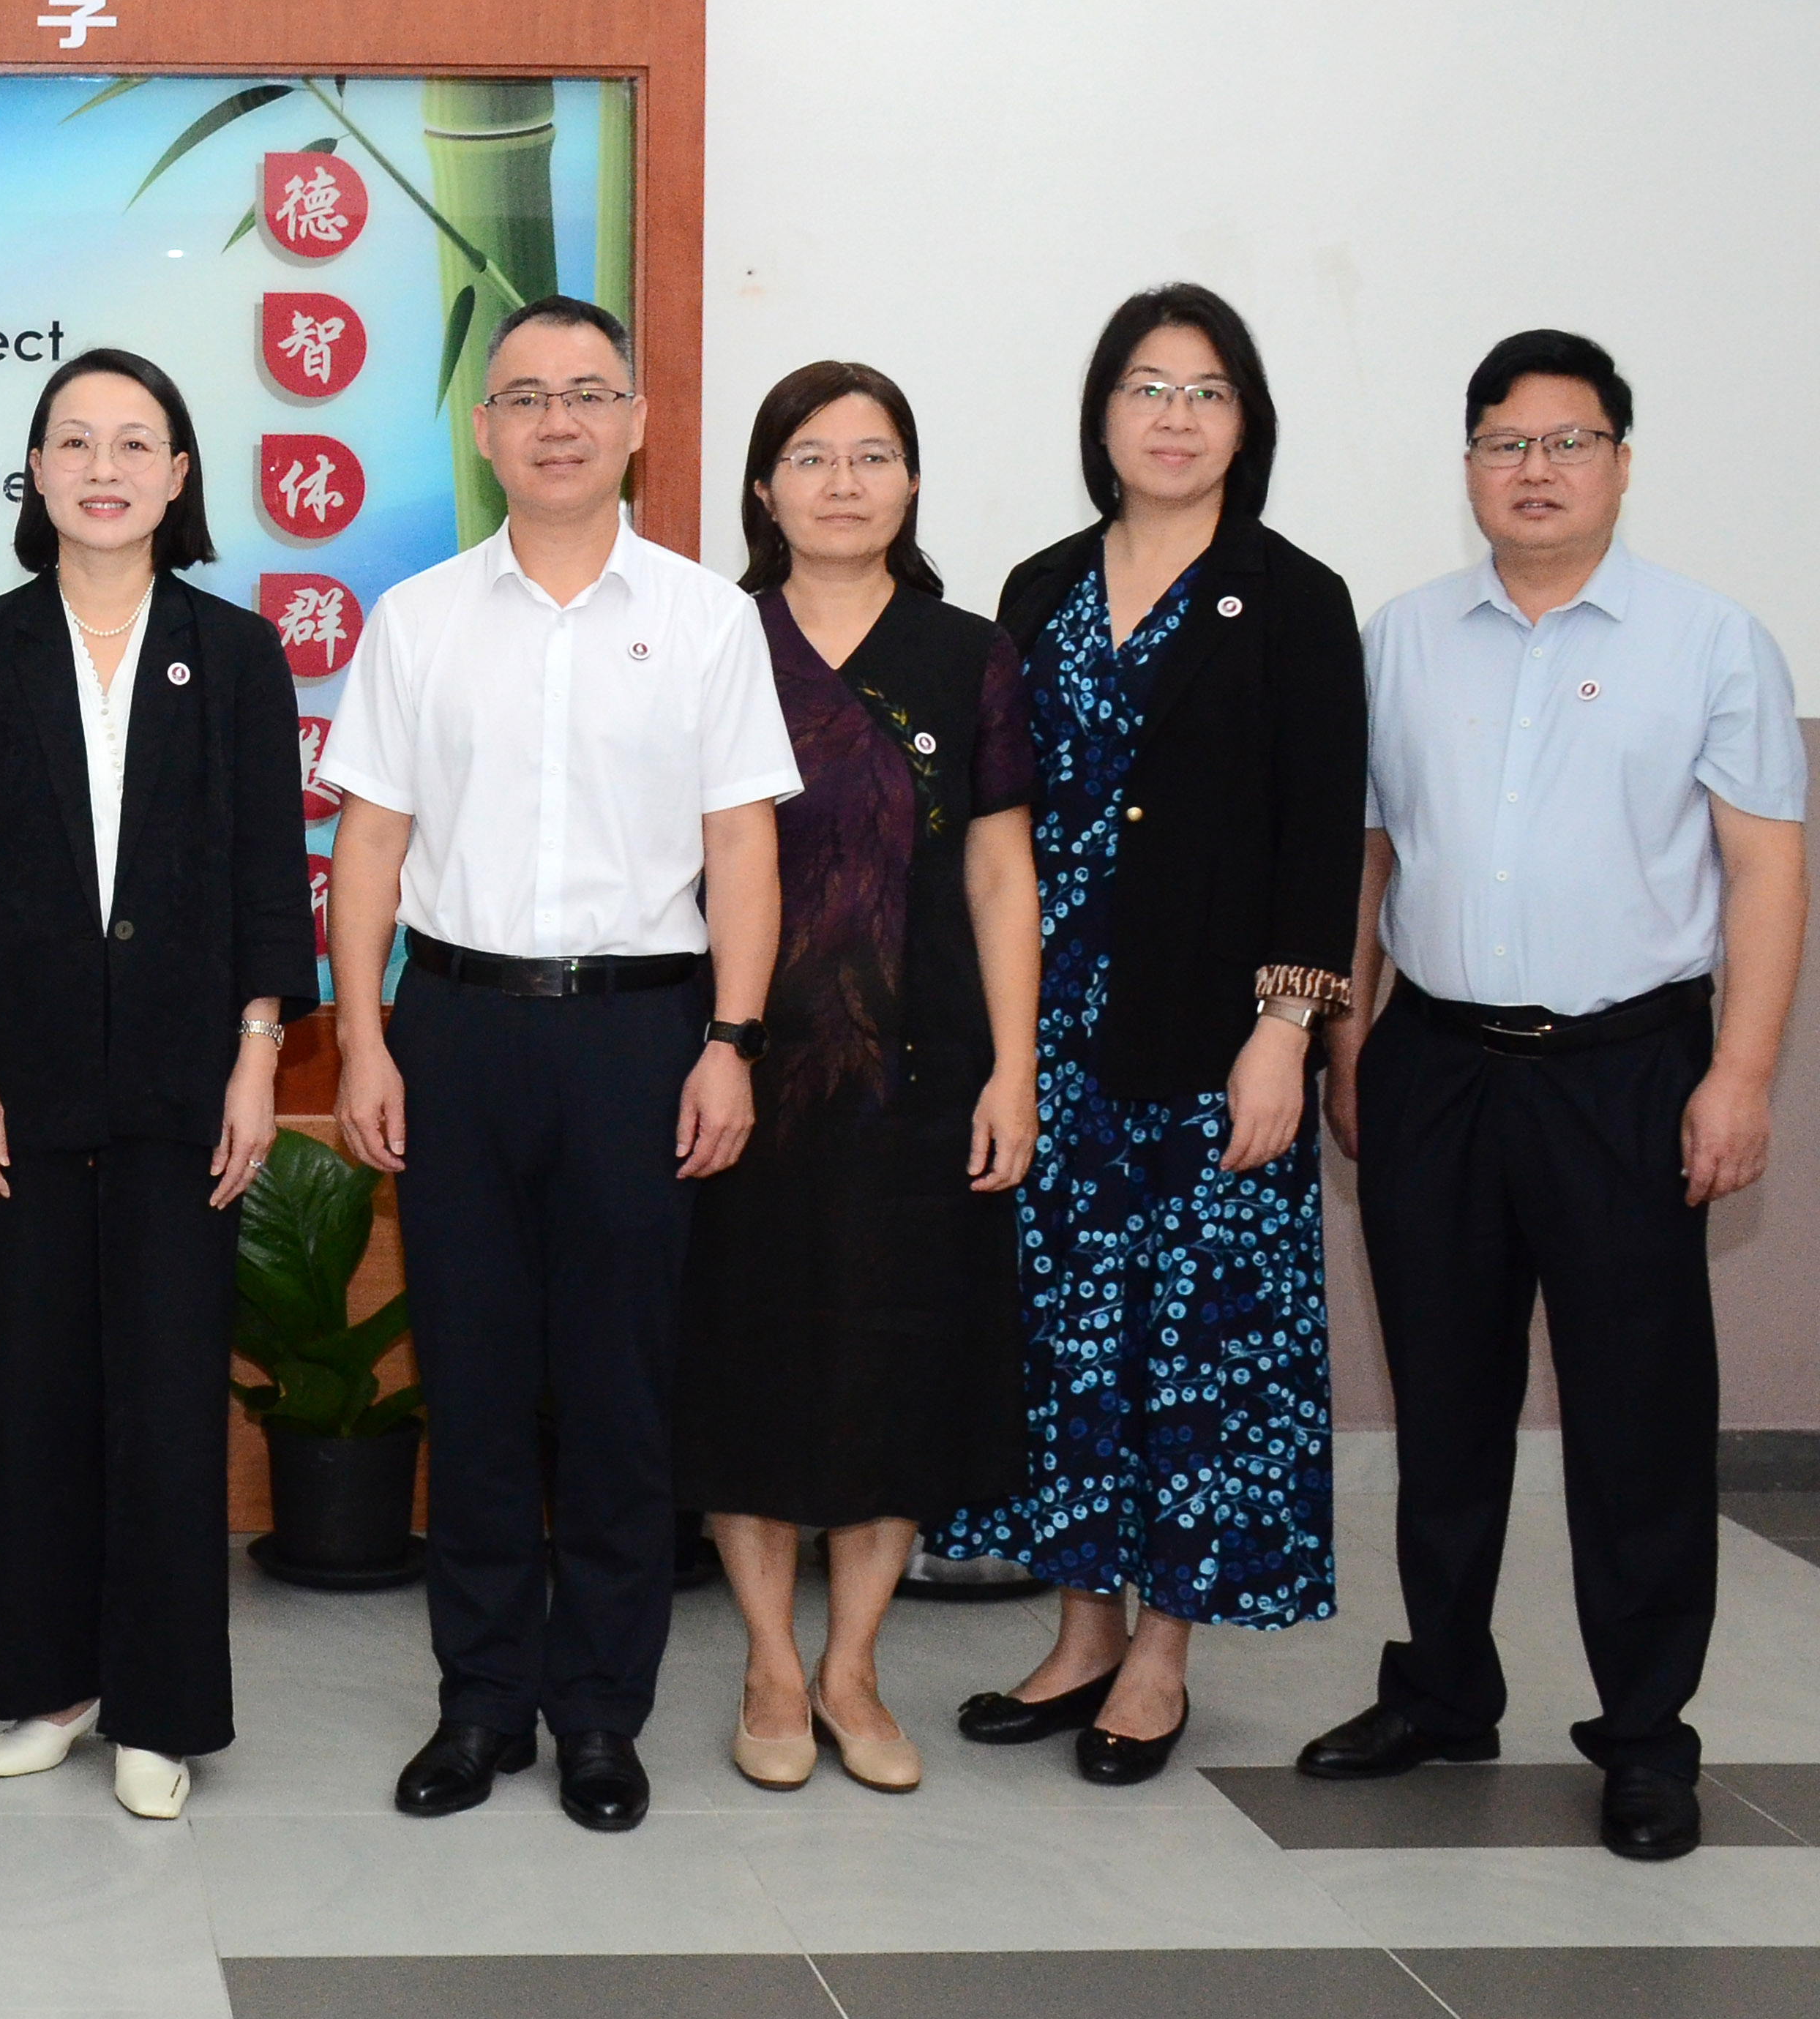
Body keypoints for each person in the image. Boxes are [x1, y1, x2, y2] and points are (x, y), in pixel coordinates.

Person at [1300, 331, 1805, 1862]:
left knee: (1637, 1421)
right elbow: (1365, 859)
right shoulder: (1399, 636)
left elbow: (1764, 868)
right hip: (1434, 1062)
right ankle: (1444, 1689)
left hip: (1629, 1071)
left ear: (1620, 461)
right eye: (1504, 444)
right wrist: (1346, 1042)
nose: (1534, 470)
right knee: (1442, 1408)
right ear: (1467, 465)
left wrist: (1741, 1073)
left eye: (1565, 442)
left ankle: (1644, 1735)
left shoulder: (1712, 639)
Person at [323, 294, 797, 1832]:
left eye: (587, 393)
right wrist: (364, 1037)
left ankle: (599, 1714)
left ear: (637, 421)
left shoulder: (709, 616)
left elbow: (741, 847)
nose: (556, 422)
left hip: (640, 1038)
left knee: (615, 1397)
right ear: (482, 431)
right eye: (523, 397)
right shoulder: (417, 618)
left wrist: (730, 1041)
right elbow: (371, 846)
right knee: (467, 1384)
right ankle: (477, 1709)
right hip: (455, 1029)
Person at [943, 283, 1363, 1785]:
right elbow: (992, 830)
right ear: (1101, 417)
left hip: (1211, 1050)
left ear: (1245, 423)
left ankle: (1163, 1656)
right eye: (1145, 387)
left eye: (1205, 391)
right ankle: (1078, 1632)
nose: (1173, 417)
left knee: (1200, 1355)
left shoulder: (1290, 598)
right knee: (1060, 1343)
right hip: (1049, 1043)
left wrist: (1286, 1035)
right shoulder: (1039, 586)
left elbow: (1322, 842)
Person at [0, 350, 315, 1821]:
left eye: (135, 441)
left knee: (162, 1399)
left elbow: (278, 880)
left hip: (183, 1084)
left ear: (179, 474)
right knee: (29, 1398)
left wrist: (260, 1057)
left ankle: (156, 1709)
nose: (103, 465)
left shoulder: (238, 653)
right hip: (13, 1088)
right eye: (73, 440)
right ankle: (49, 1688)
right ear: (33, 472)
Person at [674, 363, 1038, 1796]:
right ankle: (771, 1662)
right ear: (761, 489)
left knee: (899, 1371)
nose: (840, 481)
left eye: (871, 456)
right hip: (744, 1073)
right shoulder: (711, 641)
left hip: (921, 1069)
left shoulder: (966, 654)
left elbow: (1003, 873)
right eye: (809, 457)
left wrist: (1012, 1068)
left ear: (908, 484)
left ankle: (852, 1666)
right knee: (753, 1365)